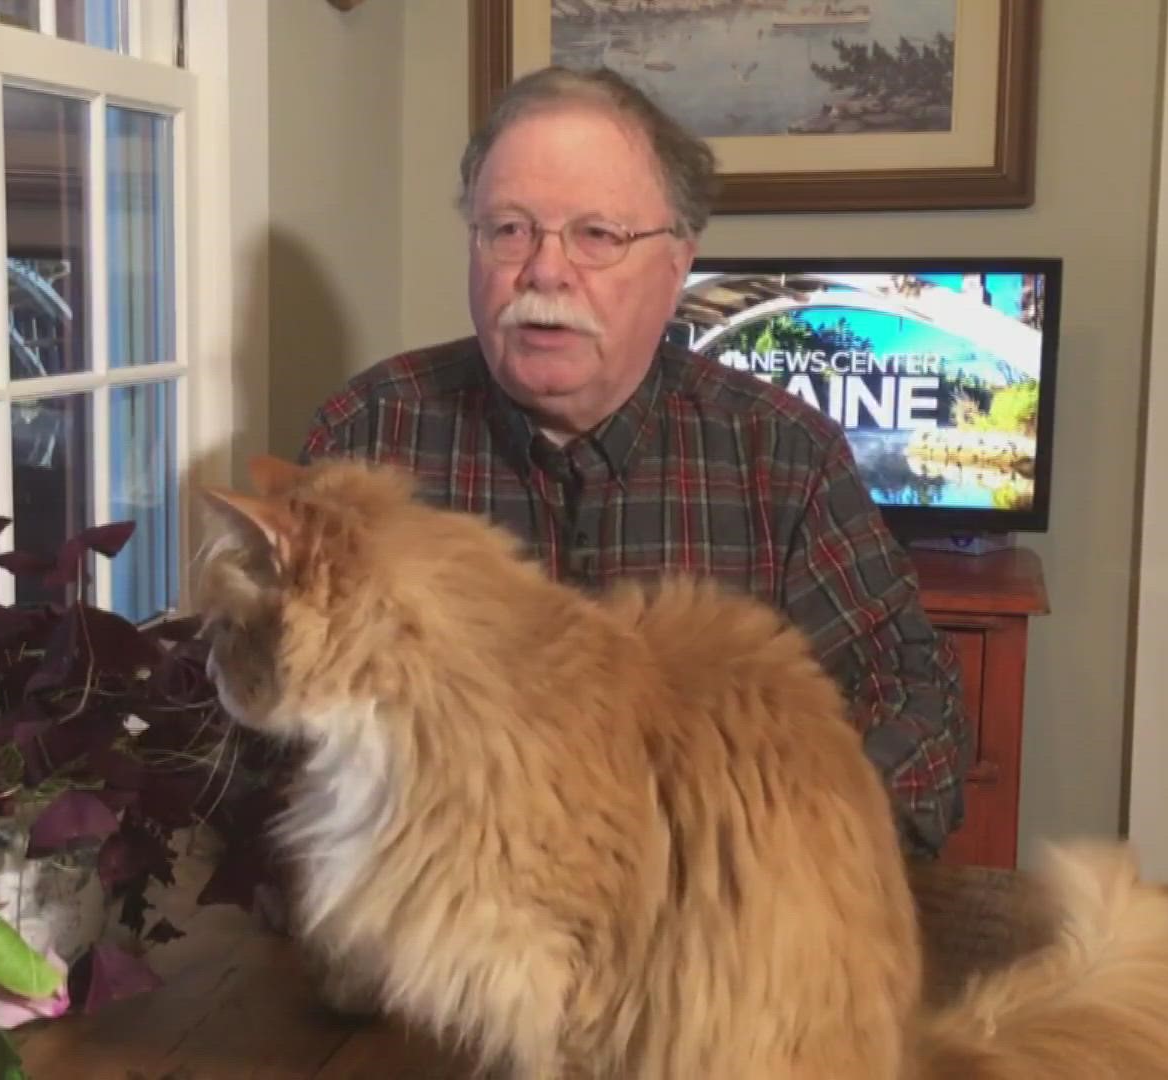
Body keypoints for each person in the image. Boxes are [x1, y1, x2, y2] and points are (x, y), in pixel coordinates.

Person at [296, 66, 967, 858]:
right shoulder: (371, 433)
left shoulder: (785, 458)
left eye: (597, 235)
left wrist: (773, 865)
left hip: (707, 935)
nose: (545, 271)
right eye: (508, 229)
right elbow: (270, 719)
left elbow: (917, 710)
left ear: (677, 261)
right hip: (434, 926)